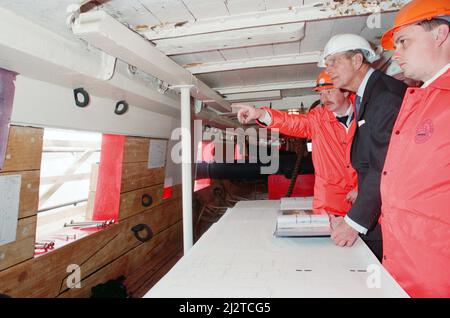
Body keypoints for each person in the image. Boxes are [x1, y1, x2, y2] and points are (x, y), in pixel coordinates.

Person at [380, 0, 450, 297]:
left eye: (404, 42)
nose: (397, 55)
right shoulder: (422, 100)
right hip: (404, 270)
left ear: (440, 34)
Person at [320, 33, 407, 261]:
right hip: (375, 203)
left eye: (334, 62)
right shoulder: (368, 94)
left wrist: (353, 223)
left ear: (357, 60)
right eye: (327, 64)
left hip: (389, 215)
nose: (329, 69)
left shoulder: (384, 96)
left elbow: (386, 165)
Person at [234, 70, 357, 217]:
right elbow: (291, 123)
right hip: (331, 208)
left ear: (345, 91)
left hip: (367, 202)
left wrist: (364, 187)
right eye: (320, 94)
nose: (324, 99)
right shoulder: (317, 120)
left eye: (329, 91)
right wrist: (260, 114)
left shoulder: (367, 114)